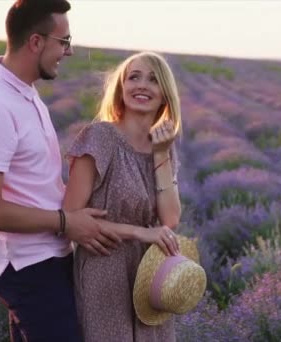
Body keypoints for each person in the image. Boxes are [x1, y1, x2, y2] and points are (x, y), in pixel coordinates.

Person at [0, 0, 121, 340]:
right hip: (28, 266)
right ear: (36, 42)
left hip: (47, 257)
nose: (69, 51)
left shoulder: (24, 92)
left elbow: (35, 183)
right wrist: (66, 222)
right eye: (64, 41)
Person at [62, 51, 183, 341]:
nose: (142, 85)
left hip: (149, 272)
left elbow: (170, 219)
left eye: (153, 80)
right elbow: (70, 217)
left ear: (165, 94)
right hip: (105, 267)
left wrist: (161, 152)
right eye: (134, 77)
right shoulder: (100, 137)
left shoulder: (163, 145)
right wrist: (141, 233)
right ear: (121, 87)